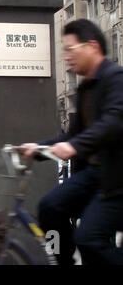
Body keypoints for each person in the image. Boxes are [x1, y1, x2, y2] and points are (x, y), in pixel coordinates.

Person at [21, 19, 123, 265]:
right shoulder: (85, 88)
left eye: (70, 49)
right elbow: (71, 136)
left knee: (88, 238)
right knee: (49, 207)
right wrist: (38, 148)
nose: (66, 56)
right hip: (92, 174)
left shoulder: (115, 78)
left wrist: (75, 147)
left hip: (117, 178)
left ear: (92, 46)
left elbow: (114, 121)